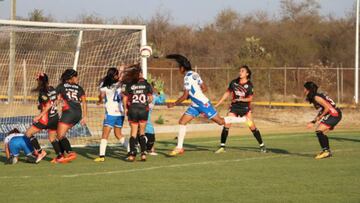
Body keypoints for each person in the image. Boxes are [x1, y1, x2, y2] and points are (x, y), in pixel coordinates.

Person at [166, 54, 246, 156]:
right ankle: (179, 147)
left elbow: (186, 94)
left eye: (179, 68)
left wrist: (174, 103)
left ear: (182, 68)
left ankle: (243, 119)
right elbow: (204, 88)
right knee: (182, 122)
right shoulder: (195, 74)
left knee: (221, 122)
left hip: (203, 104)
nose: (178, 70)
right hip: (196, 105)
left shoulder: (186, 77)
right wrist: (194, 95)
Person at [214, 65, 267, 153]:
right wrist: (218, 104)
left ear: (247, 74)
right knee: (226, 124)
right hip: (234, 108)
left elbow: (250, 99)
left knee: (252, 127)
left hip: (245, 109)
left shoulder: (249, 85)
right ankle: (222, 147)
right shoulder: (234, 82)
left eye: (242, 71)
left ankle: (262, 146)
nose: (240, 72)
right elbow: (227, 93)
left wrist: (241, 99)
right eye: (240, 71)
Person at [24, 73, 63, 163]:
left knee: (28, 134)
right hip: (55, 117)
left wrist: (39, 116)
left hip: (46, 119)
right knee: (52, 138)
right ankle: (60, 156)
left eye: (37, 80)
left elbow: (48, 105)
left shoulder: (42, 92)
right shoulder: (52, 89)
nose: (37, 82)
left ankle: (41, 152)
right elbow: (58, 99)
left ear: (40, 81)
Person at [54, 69, 87, 163]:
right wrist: (85, 116)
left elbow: (57, 100)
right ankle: (61, 156)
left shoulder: (61, 86)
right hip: (78, 114)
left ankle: (70, 152)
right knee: (60, 135)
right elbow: (84, 102)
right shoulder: (79, 88)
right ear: (70, 77)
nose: (77, 78)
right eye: (76, 76)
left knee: (59, 135)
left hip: (68, 113)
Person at [94, 67, 126, 162]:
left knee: (105, 135)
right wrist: (122, 70)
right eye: (117, 74)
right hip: (120, 113)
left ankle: (101, 156)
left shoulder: (104, 86)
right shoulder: (120, 85)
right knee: (118, 134)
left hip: (111, 113)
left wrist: (99, 100)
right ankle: (131, 150)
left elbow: (102, 96)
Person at [122, 64, 153, 161]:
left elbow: (125, 98)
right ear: (141, 74)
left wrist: (125, 108)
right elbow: (151, 99)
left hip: (133, 109)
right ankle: (143, 154)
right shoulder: (147, 84)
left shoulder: (130, 84)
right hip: (143, 110)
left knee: (133, 134)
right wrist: (145, 103)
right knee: (142, 133)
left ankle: (132, 155)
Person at [304, 81, 342, 159]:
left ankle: (326, 152)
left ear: (309, 89)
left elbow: (327, 108)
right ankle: (327, 151)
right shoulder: (315, 96)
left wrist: (318, 119)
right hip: (333, 114)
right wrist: (314, 121)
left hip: (334, 114)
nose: (304, 91)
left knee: (319, 131)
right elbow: (324, 109)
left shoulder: (316, 97)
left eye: (305, 89)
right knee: (322, 133)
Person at [144, 82, 166, 155]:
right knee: (149, 133)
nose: (152, 89)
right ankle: (148, 149)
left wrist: (160, 90)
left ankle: (150, 149)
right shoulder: (143, 95)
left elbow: (161, 100)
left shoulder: (154, 96)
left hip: (147, 117)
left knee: (148, 133)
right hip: (141, 116)